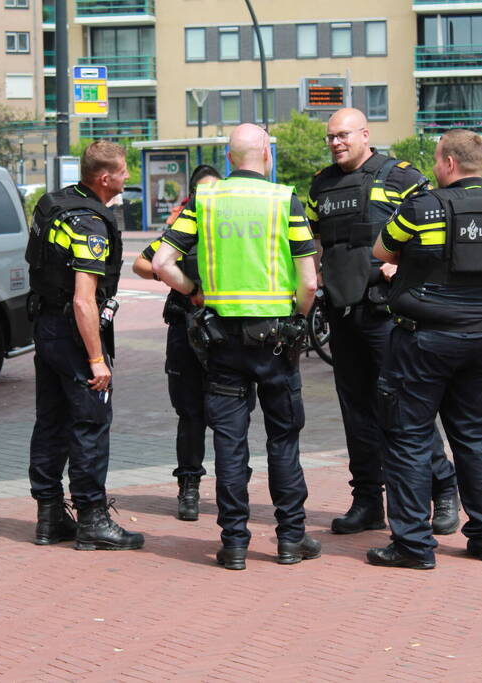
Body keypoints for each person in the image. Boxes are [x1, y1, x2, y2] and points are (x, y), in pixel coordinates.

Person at [153, 124, 320, 571]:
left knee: (230, 444)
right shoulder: (284, 200)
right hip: (276, 343)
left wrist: (194, 291)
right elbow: (308, 280)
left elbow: (160, 262)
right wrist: (299, 321)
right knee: (283, 440)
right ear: (265, 152)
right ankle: (290, 539)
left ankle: (235, 544)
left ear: (228, 158)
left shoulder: (205, 201)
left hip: (222, 342)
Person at [368, 129, 482, 569]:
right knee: (475, 437)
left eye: (437, 160)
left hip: (426, 339)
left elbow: (383, 251)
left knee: (409, 438)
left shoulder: (422, 207)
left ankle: (413, 545)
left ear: (449, 163)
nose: (435, 167)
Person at [305, 107, 459, 536]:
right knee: (356, 412)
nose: (336, 142)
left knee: (405, 408)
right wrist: (315, 275)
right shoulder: (321, 184)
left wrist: (406, 266)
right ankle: (368, 501)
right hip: (342, 312)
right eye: (331, 136)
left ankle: (443, 492)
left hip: (386, 315)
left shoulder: (402, 178)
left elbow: (436, 233)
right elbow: (317, 240)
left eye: (344, 135)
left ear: (365, 134)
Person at [25, 139, 144, 551]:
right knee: (91, 422)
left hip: (45, 327)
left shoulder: (54, 203)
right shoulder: (91, 224)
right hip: (74, 332)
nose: (129, 177)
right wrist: (97, 360)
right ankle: (92, 517)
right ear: (105, 178)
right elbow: (83, 299)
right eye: (124, 171)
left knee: (51, 420)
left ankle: (49, 515)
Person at [132, 164, 222, 521]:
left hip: (225, 333)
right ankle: (189, 488)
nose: (207, 199)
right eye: (201, 193)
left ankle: (232, 487)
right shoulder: (181, 232)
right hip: (185, 329)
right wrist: (179, 280)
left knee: (230, 415)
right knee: (190, 414)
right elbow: (142, 263)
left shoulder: (231, 230)